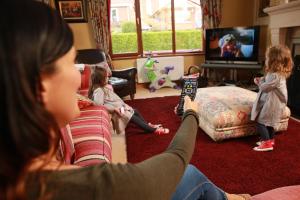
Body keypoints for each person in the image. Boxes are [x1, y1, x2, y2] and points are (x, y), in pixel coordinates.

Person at [0, 1, 251, 199]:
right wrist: (191, 111)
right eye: (71, 65)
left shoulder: (17, 177)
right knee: (189, 174)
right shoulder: (96, 187)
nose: (80, 80)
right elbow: (175, 158)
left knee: (191, 174)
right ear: (40, 85)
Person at [88, 67, 169, 135]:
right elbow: (99, 106)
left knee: (135, 111)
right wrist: (114, 109)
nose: (108, 78)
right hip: (117, 112)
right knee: (132, 117)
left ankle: (147, 125)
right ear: (100, 80)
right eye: (106, 77)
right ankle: (153, 130)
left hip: (120, 108)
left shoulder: (102, 88)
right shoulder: (98, 90)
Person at [251, 45, 293, 151]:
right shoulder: (274, 74)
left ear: (274, 61)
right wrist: (262, 79)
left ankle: (266, 143)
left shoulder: (276, 76)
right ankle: (270, 140)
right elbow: (267, 79)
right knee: (269, 123)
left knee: (261, 122)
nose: (266, 60)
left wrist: (259, 82)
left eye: (267, 58)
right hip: (273, 103)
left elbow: (265, 87)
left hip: (273, 105)